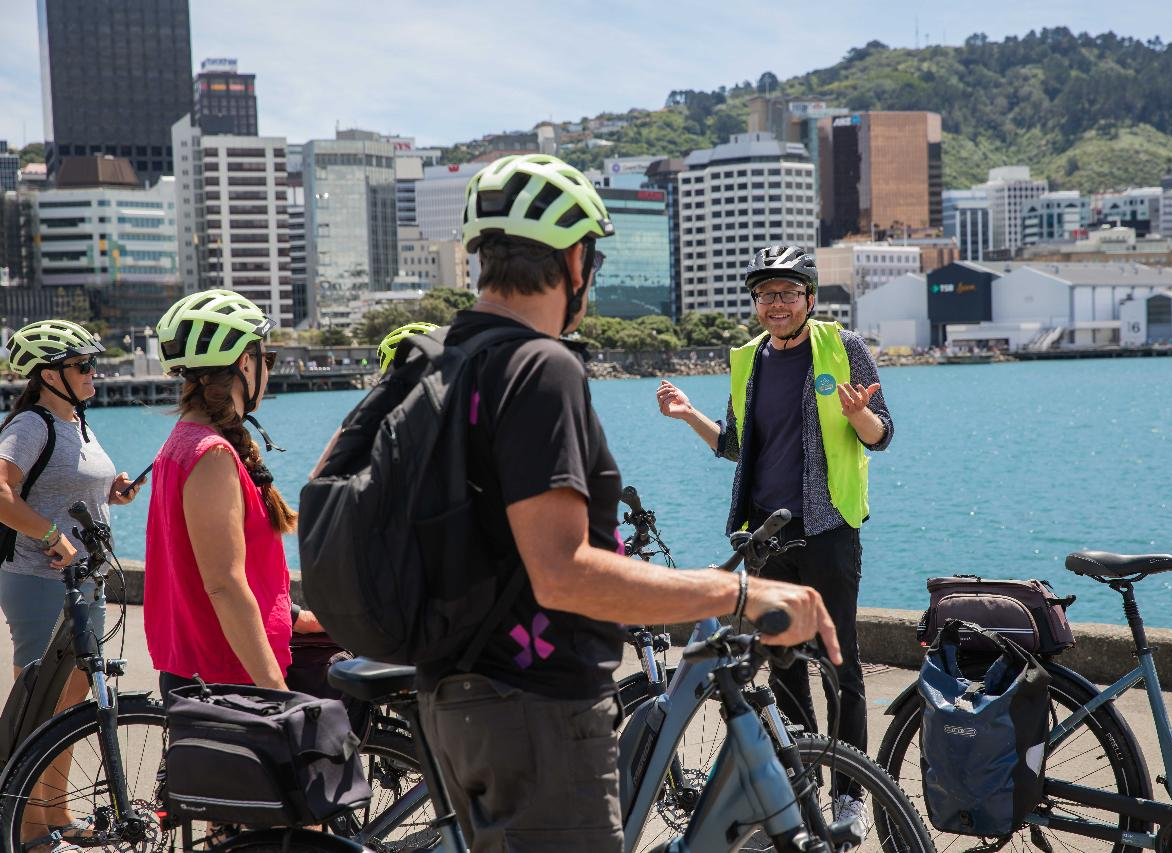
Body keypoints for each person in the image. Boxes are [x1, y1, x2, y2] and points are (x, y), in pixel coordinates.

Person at [416, 154, 839, 853]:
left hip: (451, 698)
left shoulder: (435, 358)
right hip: (537, 708)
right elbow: (563, 572)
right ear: (575, 259)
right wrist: (734, 592)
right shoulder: (540, 365)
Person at [656, 244, 894, 829]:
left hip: (829, 528)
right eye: (765, 295)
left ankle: (851, 795)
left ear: (810, 297)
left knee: (841, 664)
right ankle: (800, 781)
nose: (776, 304)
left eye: (787, 293)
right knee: (784, 662)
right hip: (765, 535)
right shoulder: (748, 360)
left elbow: (881, 434)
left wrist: (859, 413)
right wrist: (689, 414)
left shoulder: (843, 348)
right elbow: (736, 445)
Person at [0, 319, 146, 840]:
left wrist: (113, 493)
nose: (93, 373)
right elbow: (1, 493)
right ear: (48, 374)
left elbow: (70, 485)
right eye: (83, 365)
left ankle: (56, 815)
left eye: (93, 364)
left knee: (72, 703)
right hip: (39, 582)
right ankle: (30, 828)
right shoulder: (30, 426)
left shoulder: (77, 421)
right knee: (40, 703)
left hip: (87, 579)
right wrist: (47, 536)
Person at [144, 289, 320, 707]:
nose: (269, 370)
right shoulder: (211, 455)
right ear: (245, 363)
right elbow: (223, 583)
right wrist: (276, 690)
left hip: (202, 670)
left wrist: (292, 617)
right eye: (267, 359)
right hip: (228, 678)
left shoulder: (183, 444)